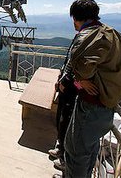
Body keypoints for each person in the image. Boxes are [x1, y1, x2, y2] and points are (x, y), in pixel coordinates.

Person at [62, 0, 121, 178]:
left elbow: (79, 65)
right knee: (89, 148)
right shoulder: (111, 32)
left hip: (91, 104)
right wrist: (108, 76)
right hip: (107, 103)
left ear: (76, 17)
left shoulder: (88, 36)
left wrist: (81, 79)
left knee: (76, 152)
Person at [49, 36, 77, 172]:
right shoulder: (79, 38)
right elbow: (69, 64)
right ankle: (61, 148)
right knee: (62, 119)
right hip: (65, 88)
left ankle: (65, 157)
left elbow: (79, 73)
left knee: (66, 121)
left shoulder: (85, 40)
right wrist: (61, 79)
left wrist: (69, 83)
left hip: (71, 91)